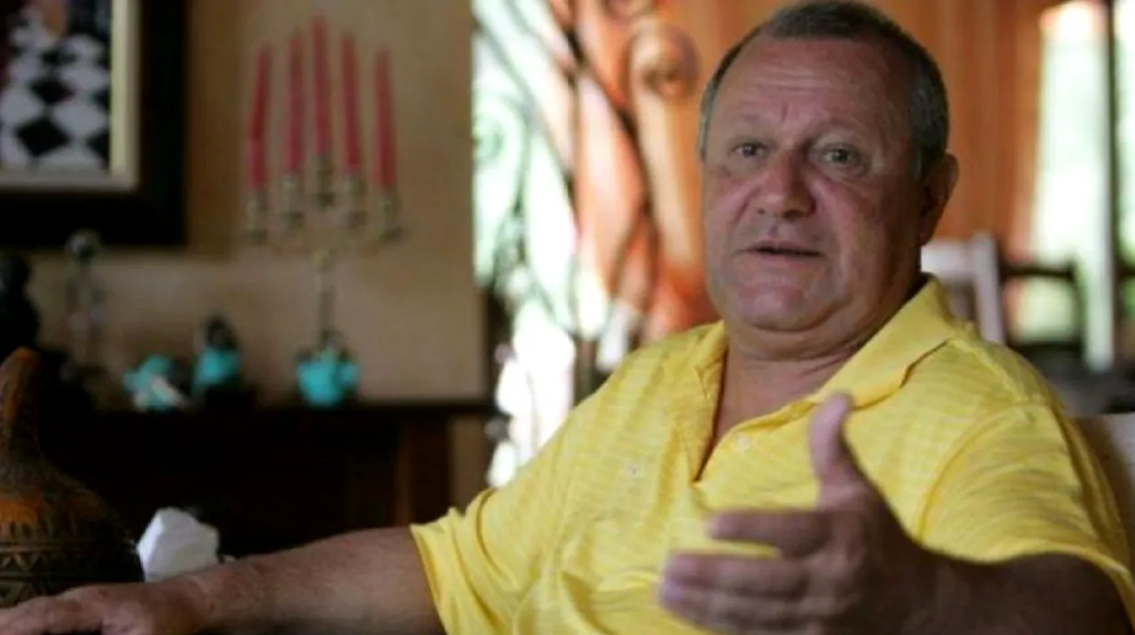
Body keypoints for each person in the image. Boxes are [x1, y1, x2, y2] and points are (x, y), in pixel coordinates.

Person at [2, 1, 1133, 633]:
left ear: (929, 198)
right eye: (746, 150)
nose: (779, 193)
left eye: (838, 156)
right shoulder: (660, 375)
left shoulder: (982, 412)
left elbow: (1078, 609)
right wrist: (196, 598)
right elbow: (454, 569)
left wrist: (923, 597)